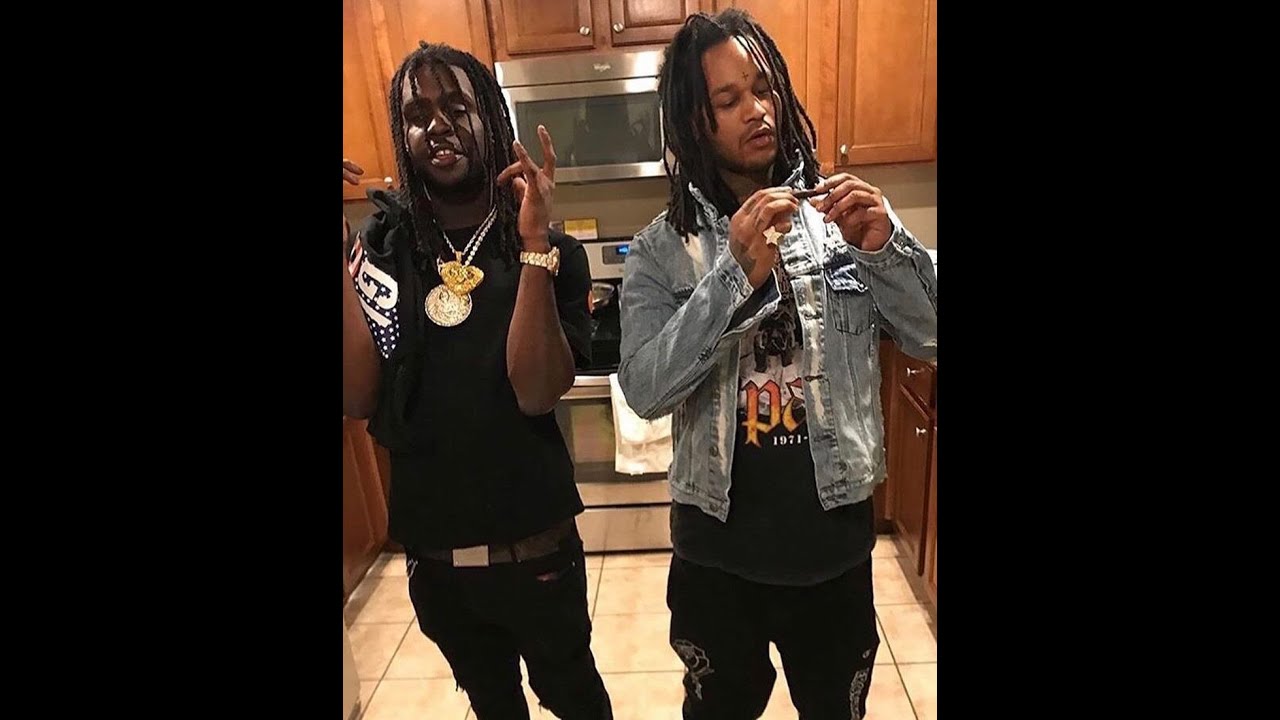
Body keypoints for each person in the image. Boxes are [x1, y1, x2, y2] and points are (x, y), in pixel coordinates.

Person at [617, 9, 937, 718]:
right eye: (729, 100)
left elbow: (931, 335)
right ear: (695, 122)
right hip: (714, 555)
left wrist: (887, 248)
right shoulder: (660, 249)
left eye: (764, 89)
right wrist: (733, 277)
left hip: (832, 550)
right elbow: (643, 389)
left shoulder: (845, 220)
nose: (757, 110)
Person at [341, 41, 612, 720]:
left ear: (491, 118)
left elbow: (535, 391)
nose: (437, 125)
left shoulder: (552, 249)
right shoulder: (383, 250)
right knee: (493, 706)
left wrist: (534, 246)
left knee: (576, 699)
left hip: (537, 550)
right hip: (435, 558)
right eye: (417, 114)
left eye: (457, 107)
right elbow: (358, 395)